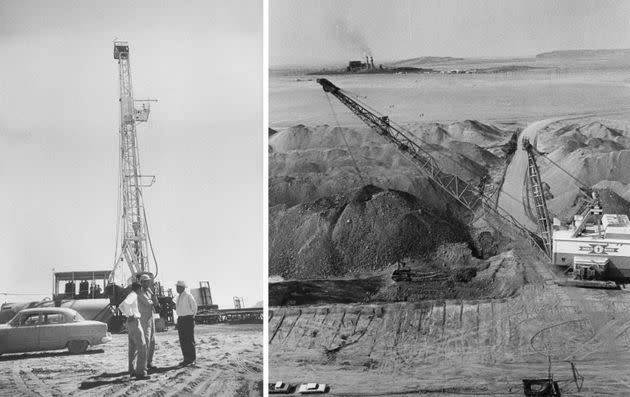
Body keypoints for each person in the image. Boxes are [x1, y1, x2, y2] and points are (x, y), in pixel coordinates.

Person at [119, 282, 149, 379]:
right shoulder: (133, 295)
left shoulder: (130, 294)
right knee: (142, 346)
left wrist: (127, 314)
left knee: (132, 348)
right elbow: (126, 304)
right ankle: (141, 372)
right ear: (139, 289)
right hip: (134, 321)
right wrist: (131, 314)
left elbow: (121, 306)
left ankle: (132, 370)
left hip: (130, 322)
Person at [137, 273, 159, 372]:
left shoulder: (149, 291)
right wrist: (153, 299)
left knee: (152, 340)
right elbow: (149, 303)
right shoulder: (140, 292)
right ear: (142, 283)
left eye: (148, 281)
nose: (148, 283)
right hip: (144, 319)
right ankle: (143, 364)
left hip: (151, 318)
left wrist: (154, 298)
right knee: (146, 341)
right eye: (146, 281)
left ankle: (149, 362)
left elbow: (156, 303)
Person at [174, 280, 198, 366]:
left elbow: (194, 307)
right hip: (180, 319)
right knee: (183, 340)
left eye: (178, 287)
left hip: (188, 319)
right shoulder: (178, 297)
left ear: (182, 288)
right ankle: (186, 359)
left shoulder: (188, 295)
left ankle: (192, 359)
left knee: (189, 340)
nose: (176, 288)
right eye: (176, 287)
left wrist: (192, 317)